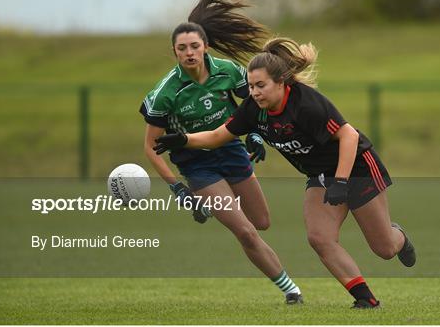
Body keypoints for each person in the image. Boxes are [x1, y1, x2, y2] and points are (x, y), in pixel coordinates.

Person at [153, 37, 417, 309]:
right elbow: (218, 135)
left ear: (280, 82)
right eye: (252, 86)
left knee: (384, 249)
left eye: (261, 86)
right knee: (319, 238)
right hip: (321, 175)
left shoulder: (305, 104)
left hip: (358, 167)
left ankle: (399, 235)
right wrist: (184, 140)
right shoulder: (255, 109)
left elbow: (349, 136)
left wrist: (341, 180)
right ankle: (366, 300)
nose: (254, 92)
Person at [141, 0, 303, 304]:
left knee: (261, 223)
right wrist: (177, 188)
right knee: (245, 231)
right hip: (198, 166)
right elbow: (150, 147)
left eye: (194, 46)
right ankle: (291, 291)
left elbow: (254, 104)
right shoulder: (165, 93)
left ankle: (211, 207)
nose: (189, 53)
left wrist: (256, 133)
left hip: (231, 152)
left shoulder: (227, 71)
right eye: (182, 48)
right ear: (174, 52)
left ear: (206, 47)